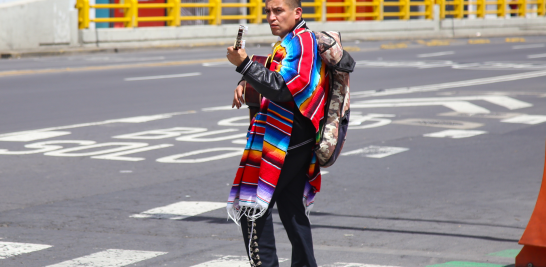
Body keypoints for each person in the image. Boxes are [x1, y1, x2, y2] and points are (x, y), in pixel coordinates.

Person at [225, 0, 329, 265]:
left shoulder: (302, 42)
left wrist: (245, 66)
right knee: (293, 211)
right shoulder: (290, 40)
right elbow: (275, 71)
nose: (272, 17)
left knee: (252, 208)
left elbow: (283, 87)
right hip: (292, 137)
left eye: (278, 11)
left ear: (297, 12)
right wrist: (245, 79)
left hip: (287, 139)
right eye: (268, 12)